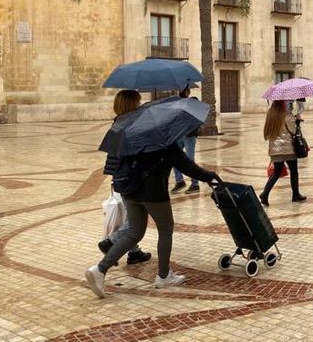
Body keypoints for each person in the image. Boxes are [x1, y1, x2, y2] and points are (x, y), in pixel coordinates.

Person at [85, 98, 219, 298]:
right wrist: (210, 176)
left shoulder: (130, 133)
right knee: (166, 229)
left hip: (130, 189)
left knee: (134, 232)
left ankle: (100, 269)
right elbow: (187, 166)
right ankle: (164, 276)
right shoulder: (165, 142)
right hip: (153, 192)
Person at [98, 90, 152, 266]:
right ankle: (111, 242)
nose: (139, 105)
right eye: (137, 102)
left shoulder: (118, 124)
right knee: (135, 219)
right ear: (131, 105)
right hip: (129, 176)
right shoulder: (128, 126)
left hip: (119, 176)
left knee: (131, 215)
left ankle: (134, 252)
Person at [260, 100, 306, 206]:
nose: (286, 104)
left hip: (275, 149)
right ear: (282, 104)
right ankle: (295, 195)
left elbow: (267, 131)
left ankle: (265, 194)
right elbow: (293, 131)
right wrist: (297, 121)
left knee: (276, 172)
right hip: (288, 148)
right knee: (294, 171)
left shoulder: (270, 114)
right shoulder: (287, 115)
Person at [171, 87, 200, 194]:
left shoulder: (193, 101)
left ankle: (195, 184)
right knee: (174, 158)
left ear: (188, 92)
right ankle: (180, 181)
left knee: (190, 160)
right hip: (178, 135)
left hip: (189, 135)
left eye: (184, 90)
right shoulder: (176, 103)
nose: (181, 92)